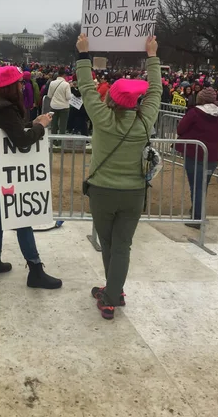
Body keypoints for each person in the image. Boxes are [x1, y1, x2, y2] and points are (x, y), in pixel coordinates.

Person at [76, 34, 161, 320]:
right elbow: (156, 92)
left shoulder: (102, 118)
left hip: (102, 190)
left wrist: (83, 54)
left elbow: (87, 89)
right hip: (134, 192)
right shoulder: (144, 121)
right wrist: (152, 57)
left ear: (111, 97)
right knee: (122, 244)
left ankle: (111, 296)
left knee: (109, 243)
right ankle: (114, 289)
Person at [0, 65, 62, 289]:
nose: (23, 86)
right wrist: (41, 127)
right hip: (3, 170)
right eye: (21, 83)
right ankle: (35, 269)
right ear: (14, 86)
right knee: (22, 217)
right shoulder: (4, 108)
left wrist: (33, 124)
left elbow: (14, 130)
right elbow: (21, 140)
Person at [176, 87, 218, 230]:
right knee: (203, 185)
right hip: (213, 155)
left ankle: (197, 217)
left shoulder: (194, 113)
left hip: (195, 152)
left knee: (196, 185)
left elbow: (180, 129)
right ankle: (197, 211)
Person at [47, 67, 72, 142]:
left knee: (54, 124)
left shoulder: (52, 83)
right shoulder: (66, 84)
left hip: (54, 106)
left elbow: (49, 95)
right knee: (62, 126)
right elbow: (68, 97)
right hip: (64, 107)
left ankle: (53, 141)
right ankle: (61, 141)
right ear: (64, 75)